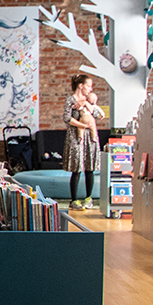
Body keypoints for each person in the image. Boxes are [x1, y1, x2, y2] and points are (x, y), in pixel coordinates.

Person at [64, 74, 102, 210]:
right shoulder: (70, 100)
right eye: (88, 86)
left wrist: (87, 104)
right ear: (81, 86)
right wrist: (83, 126)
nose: (90, 89)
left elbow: (97, 115)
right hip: (76, 136)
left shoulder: (89, 99)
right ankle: (74, 200)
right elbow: (67, 118)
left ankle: (88, 198)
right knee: (77, 168)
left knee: (89, 167)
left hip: (89, 137)